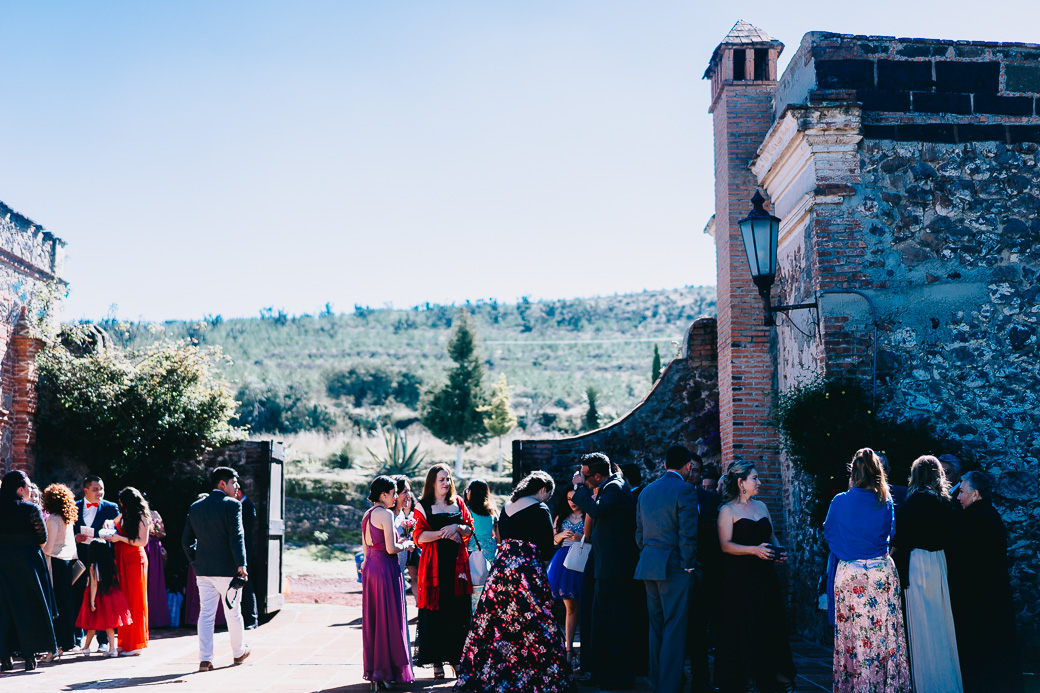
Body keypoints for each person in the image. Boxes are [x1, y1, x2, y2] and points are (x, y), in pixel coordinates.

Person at [455, 471, 576, 693]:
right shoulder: (540, 509)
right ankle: (533, 674)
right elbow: (546, 547)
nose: (547, 499)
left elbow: (502, 538)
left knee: (497, 621)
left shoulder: (507, 508)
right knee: (536, 621)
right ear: (542, 490)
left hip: (502, 569)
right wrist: (558, 540)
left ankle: (496, 672)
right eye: (548, 494)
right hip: (526, 571)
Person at [824, 448, 910, 693]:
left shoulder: (840, 500)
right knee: (884, 632)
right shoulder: (886, 501)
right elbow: (890, 535)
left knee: (854, 632)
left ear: (854, 472)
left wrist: (848, 553)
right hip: (882, 572)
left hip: (851, 573)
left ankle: (857, 686)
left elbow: (829, 534)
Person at [715, 462, 796, 693]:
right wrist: (754, 550)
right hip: (739, 579)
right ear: (741, 483)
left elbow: (771, 536)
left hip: (765, 577)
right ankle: (746, 679)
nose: (759, 482)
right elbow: (725, 545)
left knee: (769, 625)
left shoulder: (762, 506)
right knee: (744, 626)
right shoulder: (727, 510)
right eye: (755, 478)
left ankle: (774, 676)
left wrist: (778, 552)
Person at [947, 471, 1024, 693]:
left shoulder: (980, 520)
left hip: (981, 602)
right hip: (987, 599)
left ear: (976, 494)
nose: (958, 497)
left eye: (961, 492)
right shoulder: (982, 516)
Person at [891, 455, 961, 693]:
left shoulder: (915, 502)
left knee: (921, 619)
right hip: (939, 561)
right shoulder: (945, 502)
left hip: (919, 561)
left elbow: (901, 536)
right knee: (940, 618)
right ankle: (944, 677)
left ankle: (927, 681)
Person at [634, 445, 699, 693]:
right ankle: (669, 687)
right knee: (675, 627)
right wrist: (689, 564)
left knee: (656, 626)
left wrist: (648, 553)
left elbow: (639, 533)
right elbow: (688, 532)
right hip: (674, 564)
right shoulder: (685, 489)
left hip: (648, 563)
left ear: (664, 465)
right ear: (688, 466)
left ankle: (658, 682)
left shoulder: (646, 491)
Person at [570, 452, 637, 689]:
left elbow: (597, 511)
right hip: (604, 567)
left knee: (615, 624)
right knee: (602, 622)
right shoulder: (607, 485)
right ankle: (601, 672)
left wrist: (580, 490)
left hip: (614, 568)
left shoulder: (616, 487)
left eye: (586, 476)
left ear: (598, 475)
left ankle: (617, 678)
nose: (583, 479)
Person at [181, 467, 251, 672]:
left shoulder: (195, 506)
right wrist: (241, 564)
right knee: (233, 612)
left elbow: (186, 541)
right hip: (228, 570)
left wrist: (195, 560)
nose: (237, 487)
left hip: (203, 570)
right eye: (234, 482)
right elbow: (236, 536)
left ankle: (205, 659)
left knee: (206, 614)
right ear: (222, 484)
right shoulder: (232, 505)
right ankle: (238, 653)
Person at [412, 463, 474, 679]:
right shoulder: (422, 507)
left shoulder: (458, 502)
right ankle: (436, 661)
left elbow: (469, 528)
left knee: (457, 613)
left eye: (448, 479)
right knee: (435, 614)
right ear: (432, 482)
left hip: (457, 569)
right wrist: (443, 533)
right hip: (434, 568)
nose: (446, 483)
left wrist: (457, 527)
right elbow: (418, 537)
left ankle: (456, 659)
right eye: (442, 479)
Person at [362, 476, 416, 690]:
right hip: (385, 568)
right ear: (383, 494)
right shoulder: (384, 514)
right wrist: (407, 544)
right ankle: (385, 671)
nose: (396, 497)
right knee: (388, 619)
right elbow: (391, 548)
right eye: (394, 493)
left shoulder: (367, 515)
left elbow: (367, 548)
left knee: (375, 620)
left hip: (371, 568)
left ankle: (378, 671)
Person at [0, 470, 57, 672]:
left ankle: (4, 657)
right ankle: (30, 656)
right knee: (29, 607)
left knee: (4, 609)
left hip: (3, 562)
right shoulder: (30, 509)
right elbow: (42, 537)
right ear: (20, 489)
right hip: (28, 563)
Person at [73, 475, 120, 651]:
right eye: (95, 489)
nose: (99, 492)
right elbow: (68, 531)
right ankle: (77, 639)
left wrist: (106, 533)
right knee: (78, 595)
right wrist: (75, 537)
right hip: (80, 558)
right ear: (86, 491)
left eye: (101, 489)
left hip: (102, 559)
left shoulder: (111, 507)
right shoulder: (74, 507)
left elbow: (115, 533)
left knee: (103, 597)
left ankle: (103, 641)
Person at [687, 453, 720, 693]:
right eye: (691, 469)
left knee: (701, 626)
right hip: (676, 571)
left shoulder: (710, 499)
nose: (694, 474)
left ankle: (702, 679)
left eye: (698, 470)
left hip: (705, 570)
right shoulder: (669, 497)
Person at [75, 534, 132, 658]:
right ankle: (112, 649)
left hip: (98, 596)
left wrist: (91, 601)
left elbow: (94, 584)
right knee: (109, 624)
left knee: (91, 624)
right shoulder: (111, 565)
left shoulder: (93, 566)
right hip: (111, 594)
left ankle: (86, 648)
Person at [110, 487, 151, 656]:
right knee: (124, 599)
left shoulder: (142, 517)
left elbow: (142, 542)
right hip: (122, 559)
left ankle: (135, 643)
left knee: (135, 600)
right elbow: (113, 522)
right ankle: (125, 641)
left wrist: (120, 538)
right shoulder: (125, 515)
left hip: (135, 560)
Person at [547, 487, 585, 665]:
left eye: (575, 498)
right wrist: (560, 535)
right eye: (569, 498)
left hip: (584, 559)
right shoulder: (561, 517)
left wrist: (582, 537)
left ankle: (586, 651)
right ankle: (569, 651)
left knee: (587, 609)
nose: (572, 501)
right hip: (564, 562)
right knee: (571, 608)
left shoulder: (589, 515)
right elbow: (552, 540)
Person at [41, 483, 80, 659]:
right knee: (66, 604)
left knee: (56, 605)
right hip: (66, 562)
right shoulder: (67, 518)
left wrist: (38, 546)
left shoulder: (52, 519)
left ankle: (56, 645)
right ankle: (67, 641)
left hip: (55, 563)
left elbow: (48, 548)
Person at [464, 479, 498, 609]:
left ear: (470, 492)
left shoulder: (467, 511)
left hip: (474, 552)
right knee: (489, 588)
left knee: (474, 587)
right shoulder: (491, 512)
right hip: (490, 552)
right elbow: (498, 537)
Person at [235, 486, 259, 629]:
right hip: (240, 549)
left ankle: (252, 619)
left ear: (238, 493)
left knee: (247, 584)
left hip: (245, 550)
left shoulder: (247, 507)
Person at [145, 506, 171, 629]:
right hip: (143, 546)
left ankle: (156, 619)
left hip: (154, 548)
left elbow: (163, 533)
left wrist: (156, 533)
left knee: (155, 581)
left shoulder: (155, 514)